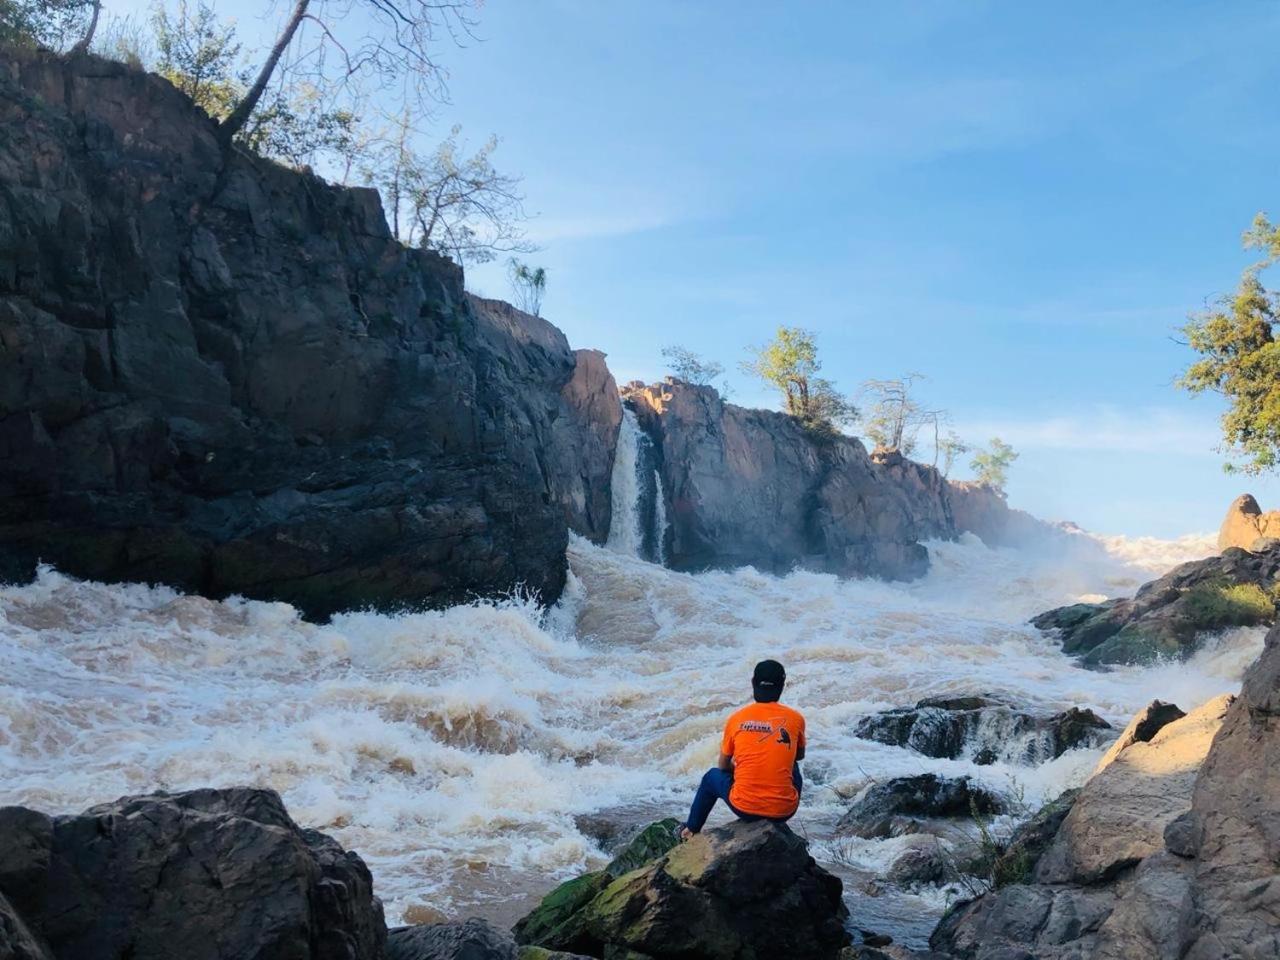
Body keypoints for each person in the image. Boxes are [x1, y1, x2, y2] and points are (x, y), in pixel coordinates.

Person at [677, 659, 805, 840]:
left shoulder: (737, 718)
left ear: (753, 683)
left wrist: (738, 770)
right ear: (782, 686)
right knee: (793, 766)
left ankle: (691, 829)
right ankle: (776, 811)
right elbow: (799, 756)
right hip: (784, 811)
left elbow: (722, 766)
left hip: (744, 808)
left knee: (710, 778)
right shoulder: (796, 719)